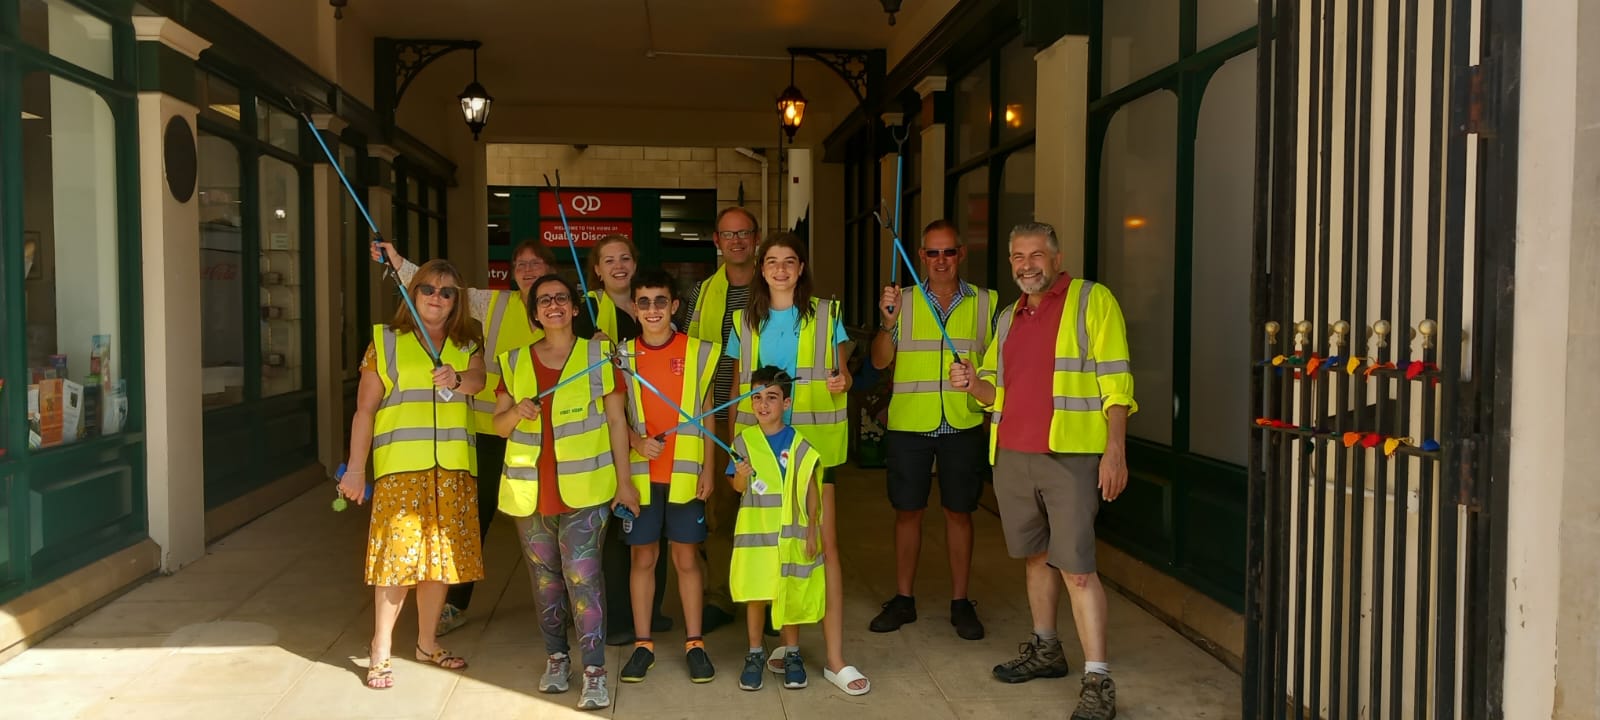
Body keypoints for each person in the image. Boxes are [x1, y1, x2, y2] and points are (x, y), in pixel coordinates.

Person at [948, 222, 1135, 720]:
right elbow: (994, 387)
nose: (1026, 265)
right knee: (1034, 557)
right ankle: (1047, 649)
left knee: (1076, 569)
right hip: (1013, 452)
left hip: (1071, 456)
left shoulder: (1093, 301)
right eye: (1017, 256)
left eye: (1035, 255)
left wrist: (1114, 450)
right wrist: (972, 382)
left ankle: (1098, 678)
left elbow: (1117, 381)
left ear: (1056, 257)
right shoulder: (1009, 317)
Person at [372, 239, 547, 636]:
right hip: (487, 430)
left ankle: (560, 605)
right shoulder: (491, 303)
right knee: (475, 520)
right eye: (520, 263)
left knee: (542, 522)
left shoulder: (563, 303)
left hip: (538, 432)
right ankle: (454, 603)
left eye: (536, 263)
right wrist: (397, 261)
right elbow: (437, 289)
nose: (528, 270)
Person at [726, 232, 869, 696]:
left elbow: (842, 369)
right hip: (762, 454)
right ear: (761, 268)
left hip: (813, 449)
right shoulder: (743, 320)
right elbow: (736, 391)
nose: (781, 269)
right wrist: (733, 451)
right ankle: (782, 646)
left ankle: (834, 659)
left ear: (801, 267)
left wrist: (842, 377)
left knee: (820, 546)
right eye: (772, 261)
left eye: (790, 261)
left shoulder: (827, 314)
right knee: (769, 549)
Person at [338, 259, 487, 690]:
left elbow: (478, 382)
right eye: (428, 289)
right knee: (394, 564)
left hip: (453, 470)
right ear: (412, 293)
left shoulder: (465, 341)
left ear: (457, 301)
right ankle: (380, 650)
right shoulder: (386, 342)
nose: (436, 298)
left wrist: (457, 378)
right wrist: (355, 469)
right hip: (401, 470)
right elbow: (364, 410)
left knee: (438, 563)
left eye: (447, 292)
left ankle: (426, 643)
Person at [492, 274, 633, 711]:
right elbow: (499, 426)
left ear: (575, 308)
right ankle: (557, 658)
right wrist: (515, 411)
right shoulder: (513, 361)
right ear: (534, 313)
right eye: (544, 300)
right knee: (545, 582)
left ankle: (594, 670)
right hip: (529, 494)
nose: (553, 305)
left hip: (587, 490)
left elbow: (616, 423)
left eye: (562, 298)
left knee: (583, 578)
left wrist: (625, 482)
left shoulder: (597, 356)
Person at [868, 219, 998, 641]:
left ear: (961, 253)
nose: (941, 260)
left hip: (961, 421)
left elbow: (998, 364)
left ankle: (961, 602)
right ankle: (903, 598)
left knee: (960, 513)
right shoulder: (901, 300)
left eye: (948, 252)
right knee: (908, 512)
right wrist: (887, 322)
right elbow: (880, 361)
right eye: (932, 252)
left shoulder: (986, 303)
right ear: (920, 257)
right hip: (910, 423)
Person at [612, 269, 721, 685]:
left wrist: (709, 469)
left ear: (674, 306)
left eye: (661, 301)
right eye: (644, 302)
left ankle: (695, 644)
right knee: (643, 557)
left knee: (686, 558)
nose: (653, 310)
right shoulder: (620, 356)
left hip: (687, 473)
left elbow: (709, 414)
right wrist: (638, 443)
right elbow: (615, 417)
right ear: (633, 309)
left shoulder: (698, 352)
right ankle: (643, 645)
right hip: (641, 475)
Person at [570, 233, 674, 644]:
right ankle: (614, 619)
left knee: (654, 526)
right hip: (606, 431)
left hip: (652, 434)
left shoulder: (651, 306)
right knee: (617, 530)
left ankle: (652, 610)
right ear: (595, 269)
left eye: (625, 258)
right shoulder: (586, 311)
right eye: (608, 259)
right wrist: (589, 349)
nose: (618, 265)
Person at [674, 207, 759, 634]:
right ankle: (720, 597)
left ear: (756, 238)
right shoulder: (701, 294)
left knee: (768, 511)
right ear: (716, 241)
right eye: (728, 234)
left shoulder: (777, 285)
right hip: (717, 417)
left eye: (744, 233)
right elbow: (683, 352)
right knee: (720, 513)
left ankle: (768, 599)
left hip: (768, 418)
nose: (737, 241)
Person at [727, 367, 825, 692]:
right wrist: (741, 472)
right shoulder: (743, 441)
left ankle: (792, 654)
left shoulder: (798, 443)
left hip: (791, 536)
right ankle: (755, 653)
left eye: (771, 397)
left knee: (790, 594)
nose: (763, 404)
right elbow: (737, 486)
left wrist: (813, 528)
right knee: (756, 595)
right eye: (756, 397)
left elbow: (811, 486)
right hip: (757, 537)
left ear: (786, 402)